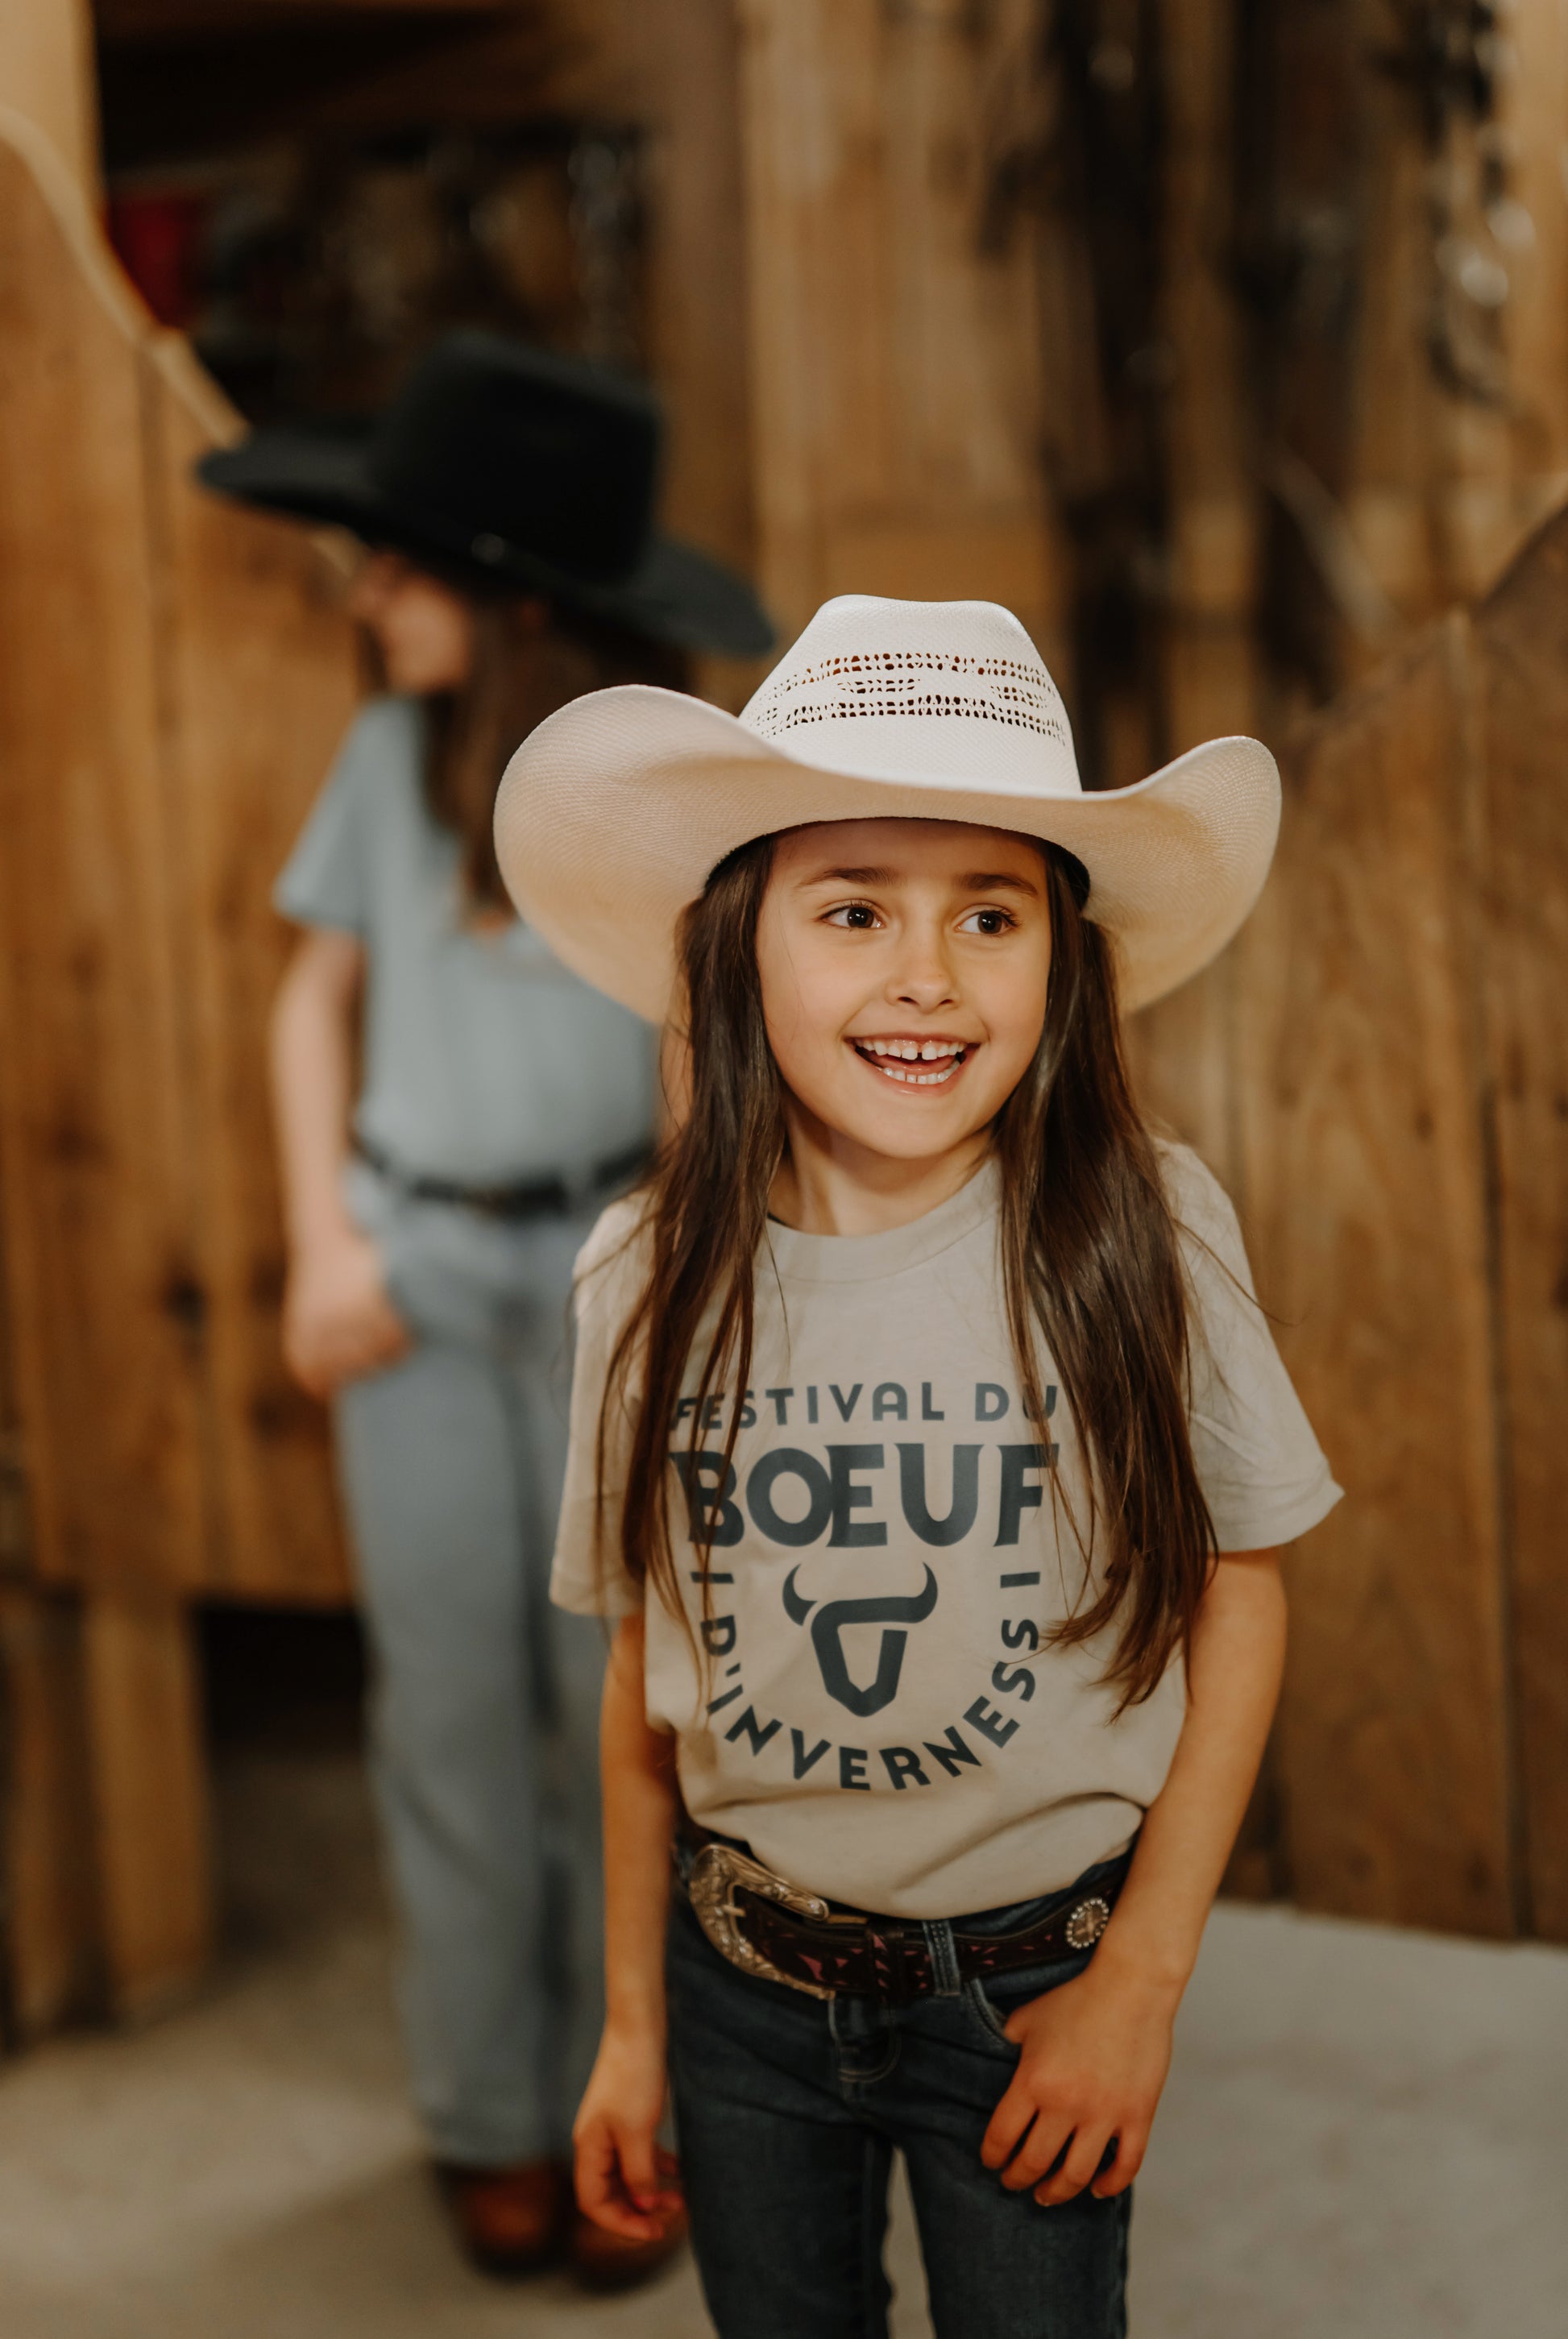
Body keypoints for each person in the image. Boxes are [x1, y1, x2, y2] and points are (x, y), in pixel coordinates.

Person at [490, 593, 1343, 2337]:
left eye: (990, 913)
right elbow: (645, 1676)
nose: (926, 977)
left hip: (1035, 1984)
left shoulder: (1140, 1233)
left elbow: (1234, 1601)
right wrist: (633, 2027)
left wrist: (1141, 1983)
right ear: (740, 946)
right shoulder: (642, 1279)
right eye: (855, 908)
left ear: (1063, 955)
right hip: (740, 1990)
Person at [197, 330, 771, 2288]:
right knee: (446, 1720)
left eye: (404, 561)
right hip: (419, 1283)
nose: (368, 594)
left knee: (630, 1730)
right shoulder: (385, 763)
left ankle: (655, 2106)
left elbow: (724, 1057)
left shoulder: (671, 797)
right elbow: (308, 1001)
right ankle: (488, 2113)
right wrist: (320, 1244)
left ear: (515, 592)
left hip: (620, 1291)